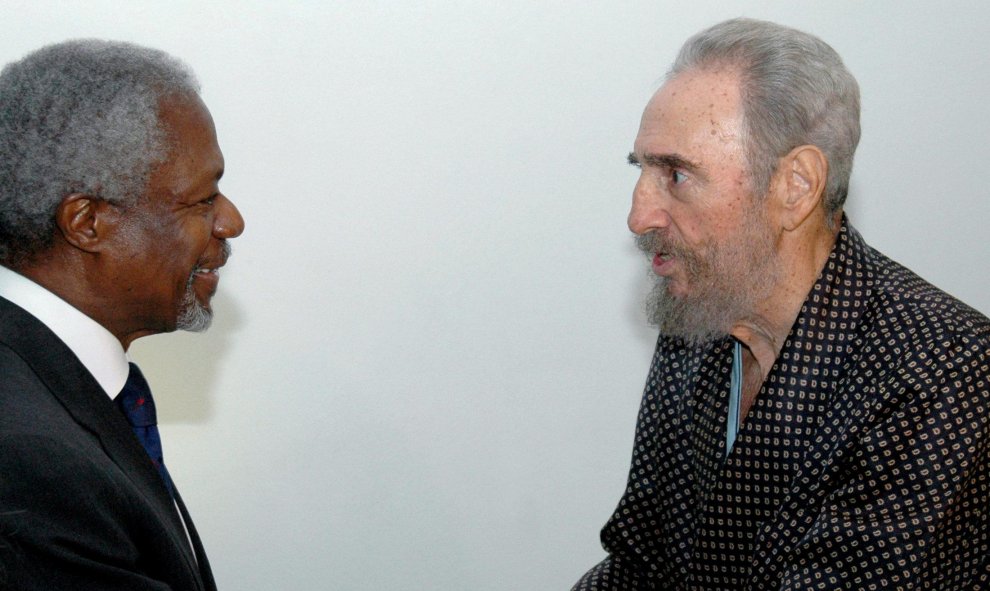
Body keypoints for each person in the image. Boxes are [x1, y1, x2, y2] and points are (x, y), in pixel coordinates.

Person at [572, 18, 989, 590]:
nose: (638, 215)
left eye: (676, 174)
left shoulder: (945, 369)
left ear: (795, 185)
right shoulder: (702, 317)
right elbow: (638, 564)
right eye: (641, 170)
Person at [0, 39, 244, 589]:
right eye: (202, 200)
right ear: (87, 223)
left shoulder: (54, 389)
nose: (231, 222)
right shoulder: (29, 466)